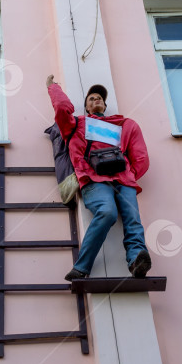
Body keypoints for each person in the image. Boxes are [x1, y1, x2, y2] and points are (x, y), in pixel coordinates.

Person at [46, 75, 152, 281]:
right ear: (86, 106)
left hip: (123, 181)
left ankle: (136, 262)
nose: (97, 100)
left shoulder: (125, 124)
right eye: (91, 98)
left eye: (100, 98)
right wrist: (53, 88)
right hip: (93, 179)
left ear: (105, 104)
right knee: (106, 212)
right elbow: (61, 110)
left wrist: (129, 175)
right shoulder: (75, 124)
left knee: (133, 221)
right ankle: (82, 266)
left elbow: (141, 156)